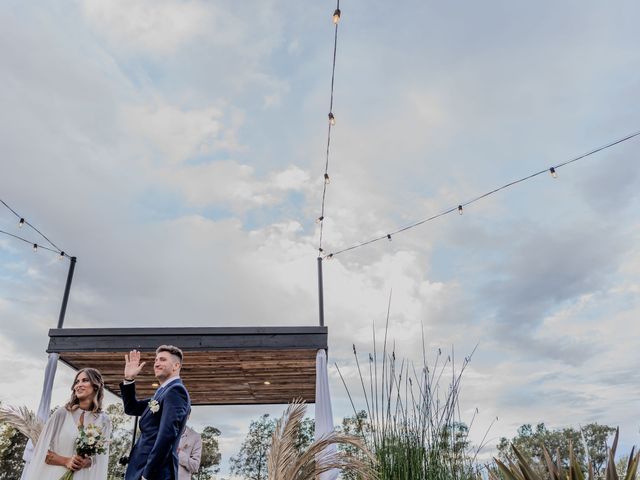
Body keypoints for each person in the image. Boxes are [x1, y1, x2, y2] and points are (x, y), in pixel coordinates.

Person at [23, 368, 111, 480]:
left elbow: (100, 460)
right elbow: (40, 451)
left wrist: (86, 462)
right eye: (77, 382)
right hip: (54, 475)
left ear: (96, 385)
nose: (79, 385)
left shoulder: (104, 420)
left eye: (85, 380)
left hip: (82, 476)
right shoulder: (62, 414)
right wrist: (66, 461)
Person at [121, 345, 191, 480]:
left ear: (176, 366)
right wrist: (129, 379)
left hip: (155, 473)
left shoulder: (176, 391)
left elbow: (167, 436)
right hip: (140, 468)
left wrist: (148, 475)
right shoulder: (162, 392)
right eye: (156, 360)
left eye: (163, 360)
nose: (157, 363)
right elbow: (132, 408)